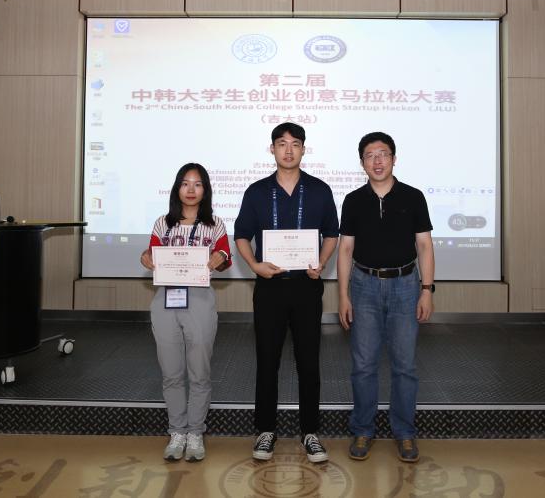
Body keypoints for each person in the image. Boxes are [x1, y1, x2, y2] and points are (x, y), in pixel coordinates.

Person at [234, 122, 339, 463]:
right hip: (270, 288)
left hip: (307, 287)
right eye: (282, 143)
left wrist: (322, 261)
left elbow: (332, 233)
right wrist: (254, 265)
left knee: (309, 361)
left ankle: (310, 432)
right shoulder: (257, 191)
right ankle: (265, 430)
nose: (289, 150)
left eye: (295, 144)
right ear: (272, 149)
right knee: (267, 360)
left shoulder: (320, 190)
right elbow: (241, 235)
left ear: (304, 149)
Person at [337, 131, 435, 463]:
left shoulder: (413, 196)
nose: (377, 161)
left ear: (394, 158)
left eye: (383, 154)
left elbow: (424, 245)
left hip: (406, 286)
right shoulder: (353, 200)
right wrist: (343, 296)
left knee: (404, 365)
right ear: (362, 162)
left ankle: (405, 432)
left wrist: (427, 290)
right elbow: (345, 249)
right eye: (370, 155)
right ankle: (363, 429)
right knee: (363, 365)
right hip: (363, 286)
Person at [140, 163, 232, 462]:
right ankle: (176, 432)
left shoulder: (215, 224)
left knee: (199, 372)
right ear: (177, 188)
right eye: (185, 183)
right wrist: (145, 257)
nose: (191, 190)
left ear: (206, 190)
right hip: (165, 299)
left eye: (198, 184)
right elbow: (151, 253)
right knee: (171, 373)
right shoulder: (162, 223)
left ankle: (195, 433)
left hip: (200, 300)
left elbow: (225, 257)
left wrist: (219, 257)